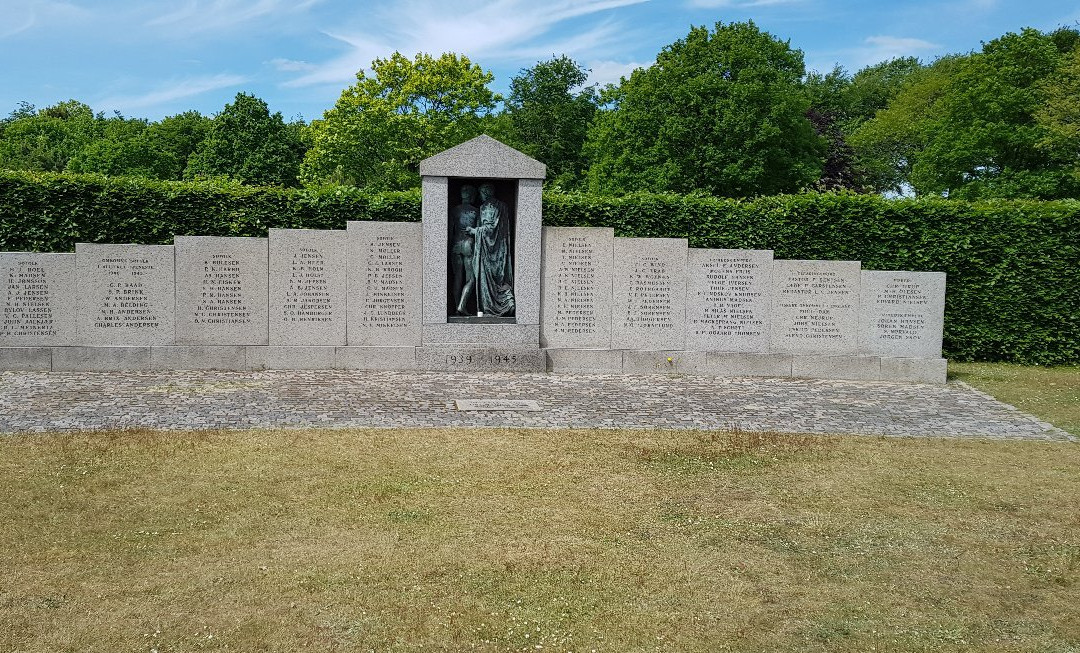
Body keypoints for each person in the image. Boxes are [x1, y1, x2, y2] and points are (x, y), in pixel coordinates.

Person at [471, 182, 515, 317]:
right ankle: (508, 301)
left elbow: (489, 229)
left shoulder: (487, 207)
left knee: (488, 278)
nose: (480, 196)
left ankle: (492, 308)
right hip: (501, 249)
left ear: (485, 193)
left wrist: (474, 231)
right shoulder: (503, 206)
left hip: (488, 250)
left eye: (481, 193)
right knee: (500, 277)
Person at [449, 185, 479, 314]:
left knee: (457, 278)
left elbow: (450, 231)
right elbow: (477, 232)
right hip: (469, 244)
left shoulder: (454, 210)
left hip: (456, 244)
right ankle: (462, 305)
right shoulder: (476, 211)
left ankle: (457, 307)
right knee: (470, 278)